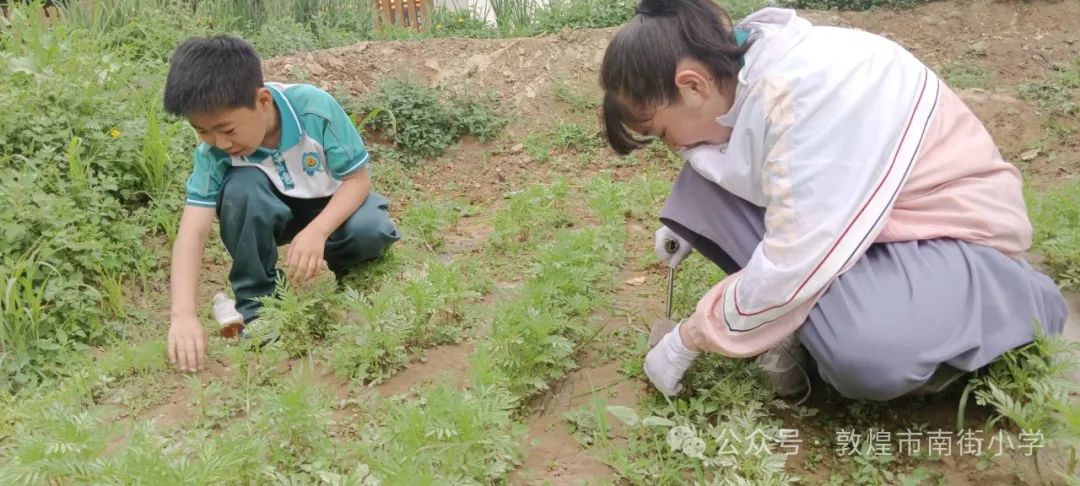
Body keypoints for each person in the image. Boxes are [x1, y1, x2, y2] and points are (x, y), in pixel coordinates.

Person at [601, 0, 1068, 400]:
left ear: (693, 85)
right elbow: (767, 174)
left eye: (662, 132)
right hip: (878, 224)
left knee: (867, 355)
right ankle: (804, 324)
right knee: (699, 186)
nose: (673, 147)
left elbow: (793, 261)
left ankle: (1021, 297)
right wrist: (691, 224)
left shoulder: (805, 93)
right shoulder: (751, 74)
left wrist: (691, 336)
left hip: (949, 234)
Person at [163, 35, 400, 372]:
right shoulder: (214, 152)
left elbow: (358, 181)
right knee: (241, 189)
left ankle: (352, 271)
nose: (219, 142)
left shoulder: (314, 109)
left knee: (371, 229)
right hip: (274, 213)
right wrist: (182, 314)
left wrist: (318, 231)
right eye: (203, 132)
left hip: (331, 208)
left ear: (262, 101)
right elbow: (192, 231)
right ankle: (259, 306)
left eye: (226, 129)